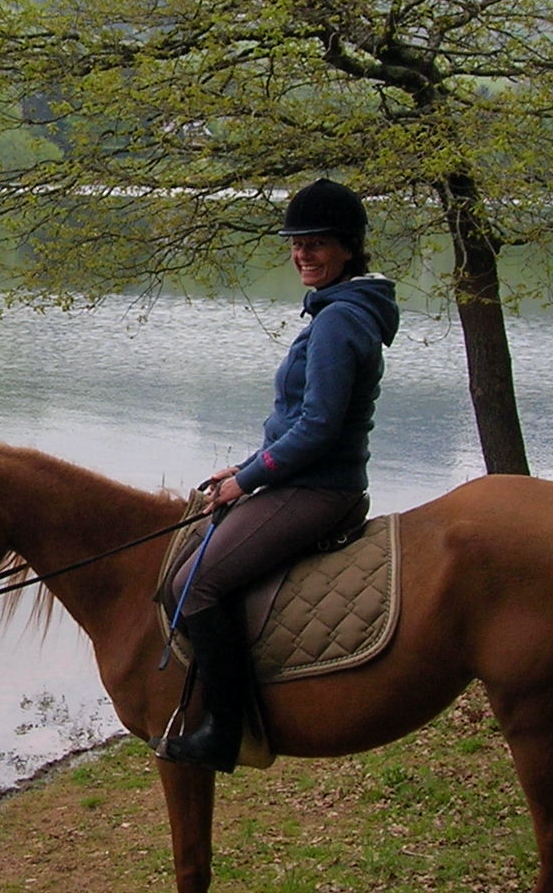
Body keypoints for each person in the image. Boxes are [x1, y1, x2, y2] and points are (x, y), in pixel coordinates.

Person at [154, 177, 401, 771]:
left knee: (197, 585)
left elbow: (317, 429)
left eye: (317, 243)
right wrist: (242, 468)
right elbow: (296, 421)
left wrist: (248, 482)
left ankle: (225, 731)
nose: (303, 254)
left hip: (318, 489)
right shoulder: (335, 312)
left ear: (347, 248)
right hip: (302, 479)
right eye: (297, 243)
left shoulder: (340, 319)